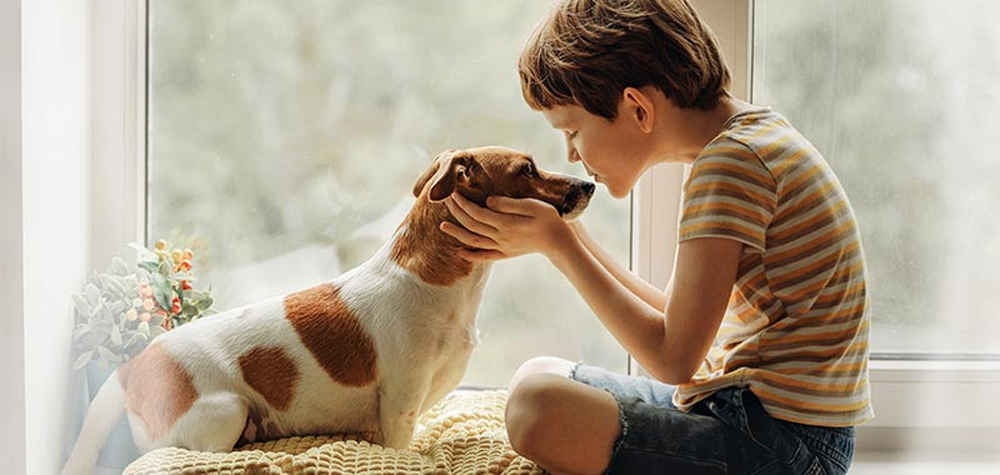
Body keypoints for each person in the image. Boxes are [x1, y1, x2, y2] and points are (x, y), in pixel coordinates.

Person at [439, 0, 871, 473]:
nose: (571, 154)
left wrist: (560, 249)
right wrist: (570, 236)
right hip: (750, 413)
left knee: (535, 408)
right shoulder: (747, 141)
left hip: (783, 446)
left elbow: (674, 360)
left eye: (574, 131)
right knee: (538, 375)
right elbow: (676, 317)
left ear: (638, 109)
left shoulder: (730, 167)